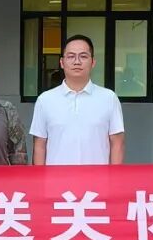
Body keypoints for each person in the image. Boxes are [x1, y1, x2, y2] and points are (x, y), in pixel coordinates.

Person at [31, 34, 125, 165]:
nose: (77, 62)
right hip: (56, 177)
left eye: (83, 56)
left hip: (97, 177)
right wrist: (39, 178)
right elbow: (39, 146)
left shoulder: (109, 98)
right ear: (62, 62)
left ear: (93, 62)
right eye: (71, 56)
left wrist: (114, 177)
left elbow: (117, 144)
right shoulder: (45, 100)